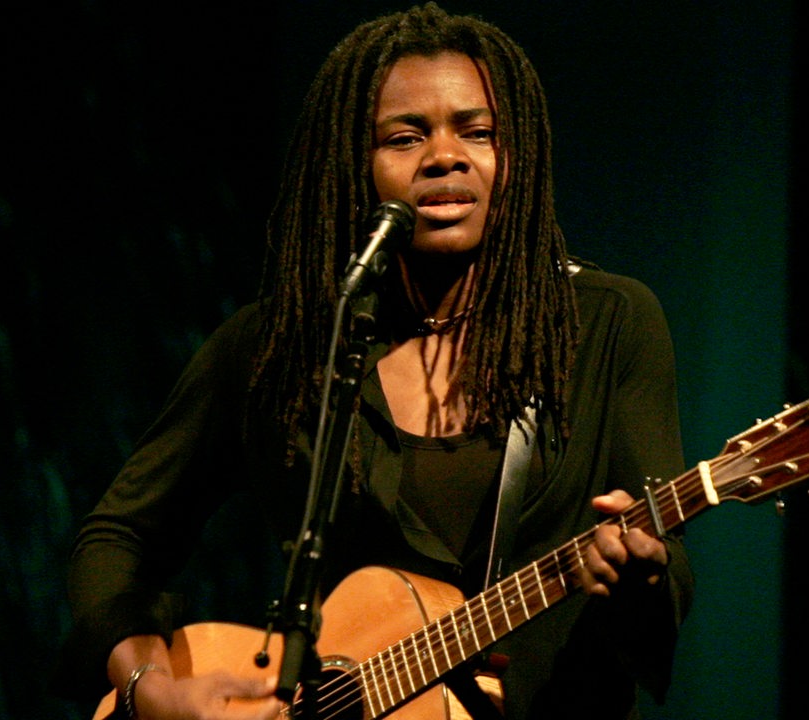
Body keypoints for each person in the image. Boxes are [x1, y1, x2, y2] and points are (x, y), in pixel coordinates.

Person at [56, 4, 693, 719]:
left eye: (477, 132)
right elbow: (118, 537)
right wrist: (153, 691)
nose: (445, 156)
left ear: (515, 158)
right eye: (404, 136)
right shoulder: (283, 346)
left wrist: (641, 571)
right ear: (351, 167)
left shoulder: (604, 324)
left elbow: (661, 590)